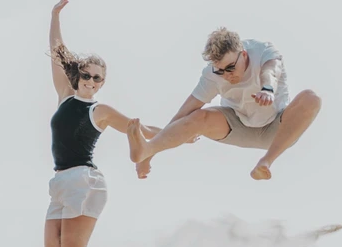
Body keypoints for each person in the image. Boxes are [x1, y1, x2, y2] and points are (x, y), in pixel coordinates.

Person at [44, 0, 149, 247]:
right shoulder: (65, 95)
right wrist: (55, 14)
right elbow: (57, 48)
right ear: (78, 74)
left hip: (85, 183)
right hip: (60, 183)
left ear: (103, 82)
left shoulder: (98, 111)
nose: (91, 82)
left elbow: (139, 128)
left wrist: (180, 134)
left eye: (97, 78)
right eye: (87, 75)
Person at [126, 28, 322, 180]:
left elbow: (270, 71)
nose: (227, 75)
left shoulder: (264, 51)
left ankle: (265, 163)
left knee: (311, 98)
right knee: (197, 116)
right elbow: (183, 113)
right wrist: (150, 153)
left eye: (230, 67)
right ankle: (147, 148)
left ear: (243, 54)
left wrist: (267, 89)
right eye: (220, 70)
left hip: (278, 129)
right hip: (237, 127)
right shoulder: (212, 75)